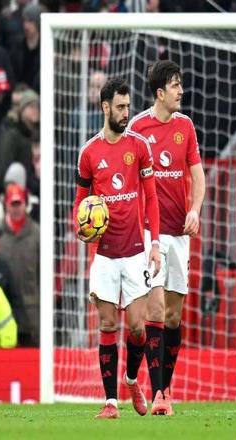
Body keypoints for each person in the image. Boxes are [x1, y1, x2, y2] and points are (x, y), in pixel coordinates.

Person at [73, 77, 161, 419]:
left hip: (136, 251)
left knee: (138, 327)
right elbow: (80, 203)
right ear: (105, 107)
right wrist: (81, 229)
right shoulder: (88, 153)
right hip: (105, 255)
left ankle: (131, 380)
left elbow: (151, 197)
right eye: (120, 107)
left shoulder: (139, 146)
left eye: (128, 107)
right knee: (108, 325)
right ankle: (111, 402)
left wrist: (155, 243)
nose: (126, 113)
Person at [128, 60, 205, 415]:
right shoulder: (137, 128)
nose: (181, 91)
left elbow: (197, 175)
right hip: (149, 232)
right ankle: (158, 393)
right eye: (175, 85)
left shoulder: (185, 126)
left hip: (179, 232)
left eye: (181, 84)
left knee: (173, 315)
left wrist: (195, 210)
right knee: (155, 309)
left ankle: (164, 387)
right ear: (160, 93)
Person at [0, 182, 40, 346]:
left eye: (19, 203)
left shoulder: (37, 234)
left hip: (31, 311)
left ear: (25, 204)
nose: (16, 209)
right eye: (12, 204)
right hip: (3, 308)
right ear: (6, 205)